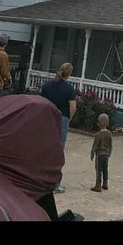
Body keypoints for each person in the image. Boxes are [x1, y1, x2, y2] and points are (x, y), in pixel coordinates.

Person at [40, 62, 76, 193]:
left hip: (47, 119)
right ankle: (55, 183)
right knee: (58, 152)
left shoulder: (47, 86)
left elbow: (41, 102)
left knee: (45, 149)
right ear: (69, 74)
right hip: (62, 119)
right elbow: (73, 107)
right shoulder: (69, 89)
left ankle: (40, 179)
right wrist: (68, 119)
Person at [90, 113, 113, 193]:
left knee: (98, 169)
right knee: (105, 169)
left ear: (98, 124)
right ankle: (105, 183)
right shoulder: (109, 133)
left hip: (99, 155)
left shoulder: (98, 134)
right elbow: (111, 144)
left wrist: (92, 153)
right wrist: (109, 152)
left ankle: (98, 185)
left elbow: (95, 146)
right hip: (106, 154)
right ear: (108, 123)